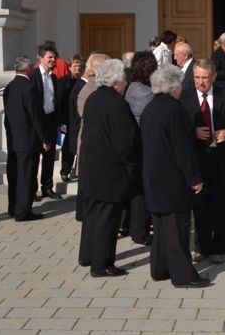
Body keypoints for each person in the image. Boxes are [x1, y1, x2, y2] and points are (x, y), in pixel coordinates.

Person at [140, 64, 210, 288]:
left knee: (161, 229)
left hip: (153, 177)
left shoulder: (150, 109)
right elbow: (183, 150)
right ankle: (184, 276)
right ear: (173, 87)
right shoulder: (175, 111)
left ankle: (160, 269)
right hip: (172, 180)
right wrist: (194, 178)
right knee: (177, 230)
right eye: (179, 84)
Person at [180, 59, 225, 264]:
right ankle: (202, 246)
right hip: (197, 162)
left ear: (214, 77)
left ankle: (220, 248)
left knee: (223, 206)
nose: (200, 82)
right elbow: (176, 126)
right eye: (196, 77)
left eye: (204, 78)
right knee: (200, 207)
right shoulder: (183, 96)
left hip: (221, 161)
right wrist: (192, 132)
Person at [78, 59, 140, 277]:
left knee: (92, 215)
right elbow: (126, 142)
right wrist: (132, 164)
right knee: (107, 219)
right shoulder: (117, 104)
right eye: (124, 79)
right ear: (115, 81)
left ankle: (87, 256)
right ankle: (101, 264)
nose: (126, 83)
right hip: (110, 171)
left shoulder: (94, 98)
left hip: (91, 166)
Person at [4, 56, 51, 221]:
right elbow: (36, 116)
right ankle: (23, 211)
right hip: (28, 140)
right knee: (26, 177)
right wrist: (45, 139)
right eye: (32, 66)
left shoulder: (9, 86)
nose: (34, 68)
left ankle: (13, 207)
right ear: (27, 68)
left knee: (15, 175)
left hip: (14, 139)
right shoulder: (29, 87)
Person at [123, 51, 158, 246]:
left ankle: (136, 227)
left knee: (139, 190)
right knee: (142, 192)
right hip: (145, 145)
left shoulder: (131, 87)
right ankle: (140, 231)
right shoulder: (148, 94)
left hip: (136, 144)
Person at [74, 53, 108, 222]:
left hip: (89, 136)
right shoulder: (92, 88)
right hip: (91, 137)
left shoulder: (92, 87)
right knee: (87, 179)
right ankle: (84, 212)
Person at [32, 43, 63, 200]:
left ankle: (47, 187)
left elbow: (55, 101)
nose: (53, 60)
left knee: (49, 157)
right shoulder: (33, 76)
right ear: (40, 58)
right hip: (37, 122)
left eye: (54, 57)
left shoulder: (53, 77)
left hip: (51, 120)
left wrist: (57, 123)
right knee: (34, 157)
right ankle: (32, 190)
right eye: (49, 57)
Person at [57, 54, 83, 182]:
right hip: (66, 120)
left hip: (80, 118)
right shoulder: (62, 82)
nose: (77, 68)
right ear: (70, 67)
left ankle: (78, 170)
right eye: (75, 65)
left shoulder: (83, 81)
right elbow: (59, 102)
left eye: (79, 65)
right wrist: (59, 122)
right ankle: (65, 171)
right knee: (67, 146)